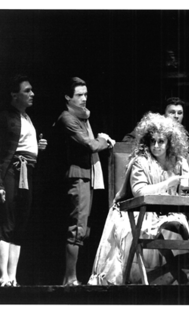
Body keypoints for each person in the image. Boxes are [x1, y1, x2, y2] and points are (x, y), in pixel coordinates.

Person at [88, 113, 189, 285]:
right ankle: (148, 282)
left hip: (165, 211)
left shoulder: (178, 161)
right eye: (152, 141)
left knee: (181, 224)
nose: (156, 146)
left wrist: (187, 183)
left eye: (161, 141)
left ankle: (182, 279)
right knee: (151, 230)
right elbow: (140, 192)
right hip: (135, 213)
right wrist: (170, 182)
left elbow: (188, 187)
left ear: (170, 142)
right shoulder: (140, 161)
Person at [0, 74, 47, 287]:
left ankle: (13, 276)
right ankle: (2, 275)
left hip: (27, 174)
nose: (32, 94)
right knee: (7, 222)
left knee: (20, 224)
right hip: (11, 172)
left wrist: (38, 148)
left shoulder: (28, 118)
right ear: (14, 95)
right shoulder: (4, 118)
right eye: (27, 91)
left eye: (32, 90)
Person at [54, 77, 116, 286]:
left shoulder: (83, 118)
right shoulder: (67, 118)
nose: (83, 99)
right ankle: (70, 278)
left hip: (87, 175)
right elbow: (90, 145)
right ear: (67, 97)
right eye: (79, 95)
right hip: (77, 175)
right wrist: (105, 141)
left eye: (86, 95)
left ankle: (69, 277)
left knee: (83, 227)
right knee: (77, 228)